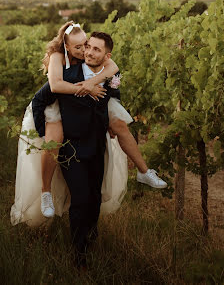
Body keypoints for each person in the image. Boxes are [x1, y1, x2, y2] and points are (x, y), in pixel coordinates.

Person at [38, 22, 166, 218]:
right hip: (53, 103)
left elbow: (112, 67)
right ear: (66, 47)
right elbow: (55, 86)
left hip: (78, 97)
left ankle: (143, 170)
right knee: (53, 141)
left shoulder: (89, 60)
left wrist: (91, 82)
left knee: (120, 125)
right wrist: (88, 87)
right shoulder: (58, 57)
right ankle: (45, 191)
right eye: (79, 47)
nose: (84, 50)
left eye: (86, 44)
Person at [33, 32, 129, 266]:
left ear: (105, 55)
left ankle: (91, 234)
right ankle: (79, 254)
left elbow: (113, 97)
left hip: (96, 146)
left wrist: (110, 123)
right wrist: (43, 134)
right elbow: (39, 100)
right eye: (86, 47)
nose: (88, 51)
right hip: (70, 149)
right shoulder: (65, 76)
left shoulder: (108, 77)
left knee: (94, 197)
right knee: (81, 197)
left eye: (94, 48)